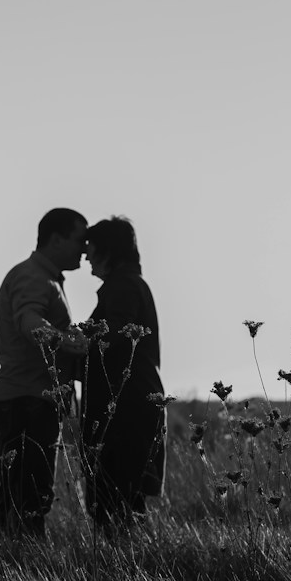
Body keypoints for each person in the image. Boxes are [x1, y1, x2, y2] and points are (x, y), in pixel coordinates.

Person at [0, 207, 89, 536]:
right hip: (28, 401)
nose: (85, 249)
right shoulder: (33, 277)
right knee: (32, 498)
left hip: (24, 398)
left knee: (15, 496)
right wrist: (68, 343)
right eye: (80, 240)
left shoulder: (41, 277)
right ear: (57, 240)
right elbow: (29, 322)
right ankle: (27, 568)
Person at [80, 216, 165, 531]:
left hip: (125, 407)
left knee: (116, 500)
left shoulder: (123, 286)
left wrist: (74, 345)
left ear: (108, 250)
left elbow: (114, 331)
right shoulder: (128, 284)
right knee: (124, 500)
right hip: (131, 403)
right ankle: (130, 568)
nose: (86, 256)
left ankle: (128, 570)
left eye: (91, 248)